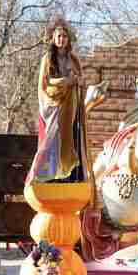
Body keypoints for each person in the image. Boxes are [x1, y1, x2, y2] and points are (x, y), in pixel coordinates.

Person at [29, 18, 90, 185]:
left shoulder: (74, 59)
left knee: (72, 137)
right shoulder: (47, 59)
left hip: (71, 107)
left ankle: (70, 176)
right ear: (53, 39)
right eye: (58, 36)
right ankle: (47, 175)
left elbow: (81, 80)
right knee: (52, 141)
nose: (61, 39)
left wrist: (77, 82)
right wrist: (65, 82)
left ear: (69, 39)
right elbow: (45, 84)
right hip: (53, 107)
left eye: (64, 36)